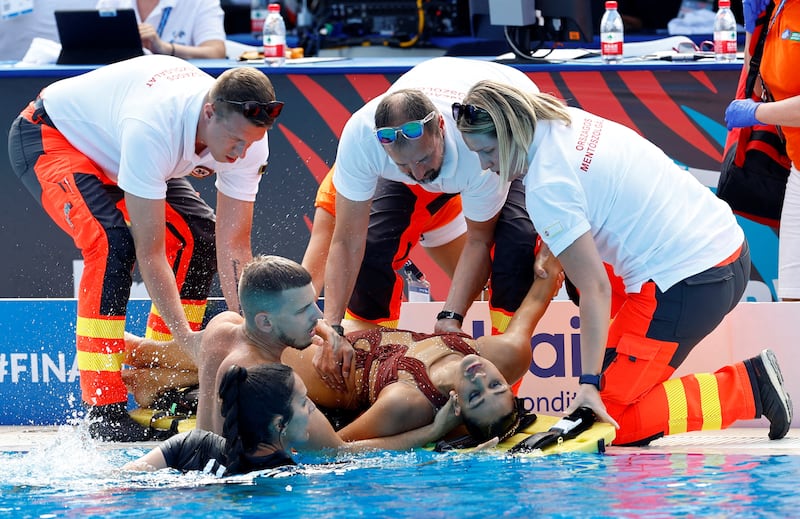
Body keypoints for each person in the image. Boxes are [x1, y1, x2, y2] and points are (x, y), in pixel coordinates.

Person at [453, 80, 793, 445]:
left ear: (509, 132)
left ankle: (748, 388)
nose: (486, 166)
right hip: (726, 249)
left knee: (611, 423)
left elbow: (595, 288)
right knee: (605, 360)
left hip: (690, 283)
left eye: (487, 151)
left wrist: (589, 384)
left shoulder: (546, 188)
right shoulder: (562, 119)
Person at [7, 55, 282, 442]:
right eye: (235, 142)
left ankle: (157, 376)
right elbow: (150, 253)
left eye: (249, 143)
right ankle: (103, 406)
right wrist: (188, 339)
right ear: (209, 113)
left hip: (120, 149)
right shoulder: (155, 126)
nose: (240, 154)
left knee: (198, 239)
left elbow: (234, 246)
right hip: (53, 137)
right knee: (112, 243)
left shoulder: (249, 136)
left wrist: (249, 337)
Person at [123, 252, 565, 445]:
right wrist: (554, 254)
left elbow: (336, 445)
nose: (479, 378)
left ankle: (139, 353)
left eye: (475, 395)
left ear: (455, 403)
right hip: (357, 336)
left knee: (230, 334)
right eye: (495, 386)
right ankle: (155, 373)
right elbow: (540, 295)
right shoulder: (504, 356)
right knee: (227, 333)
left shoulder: (407, 401)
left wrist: (431, 433)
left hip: (339, 372)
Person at [321, 57, 540, 341]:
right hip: (438, 100)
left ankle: (503, 366)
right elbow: (346, 240)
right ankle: (374, 358)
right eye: (404, 166)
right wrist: (332, 328)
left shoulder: (475, 152)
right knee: (374, 248)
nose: (419, 174)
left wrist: (451, 316)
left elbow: (479, 241)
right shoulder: (360, 138)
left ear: (440, 126)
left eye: (423, 159)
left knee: (515, 248)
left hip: (511, 126)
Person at [123, 362, 454, 475]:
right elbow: (368, 457)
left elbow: (118, 482)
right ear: (279, 426)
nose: (313, 408)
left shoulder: (191, 443)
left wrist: (434, 429)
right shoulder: (294, 477)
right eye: (304, 402)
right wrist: (435, 433)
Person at [302, 168, 467, 317]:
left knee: (478, 283)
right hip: (395, 197)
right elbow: (307, 286)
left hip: (433, 201)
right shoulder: (341, 181)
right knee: (367, 272)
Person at [725, 0, 800, 302]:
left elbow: (758, 105)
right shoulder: (775, 8)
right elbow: (757, 88)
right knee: (793, 299)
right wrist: (751, 32)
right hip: (798, 167)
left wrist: (758, 114)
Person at [95, 0, 227, 59]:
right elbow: (92, 48)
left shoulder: (200, 2)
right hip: (122, 83)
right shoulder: (111, 2)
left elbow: (216, 52)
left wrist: (166, 49)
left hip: (178, 86)